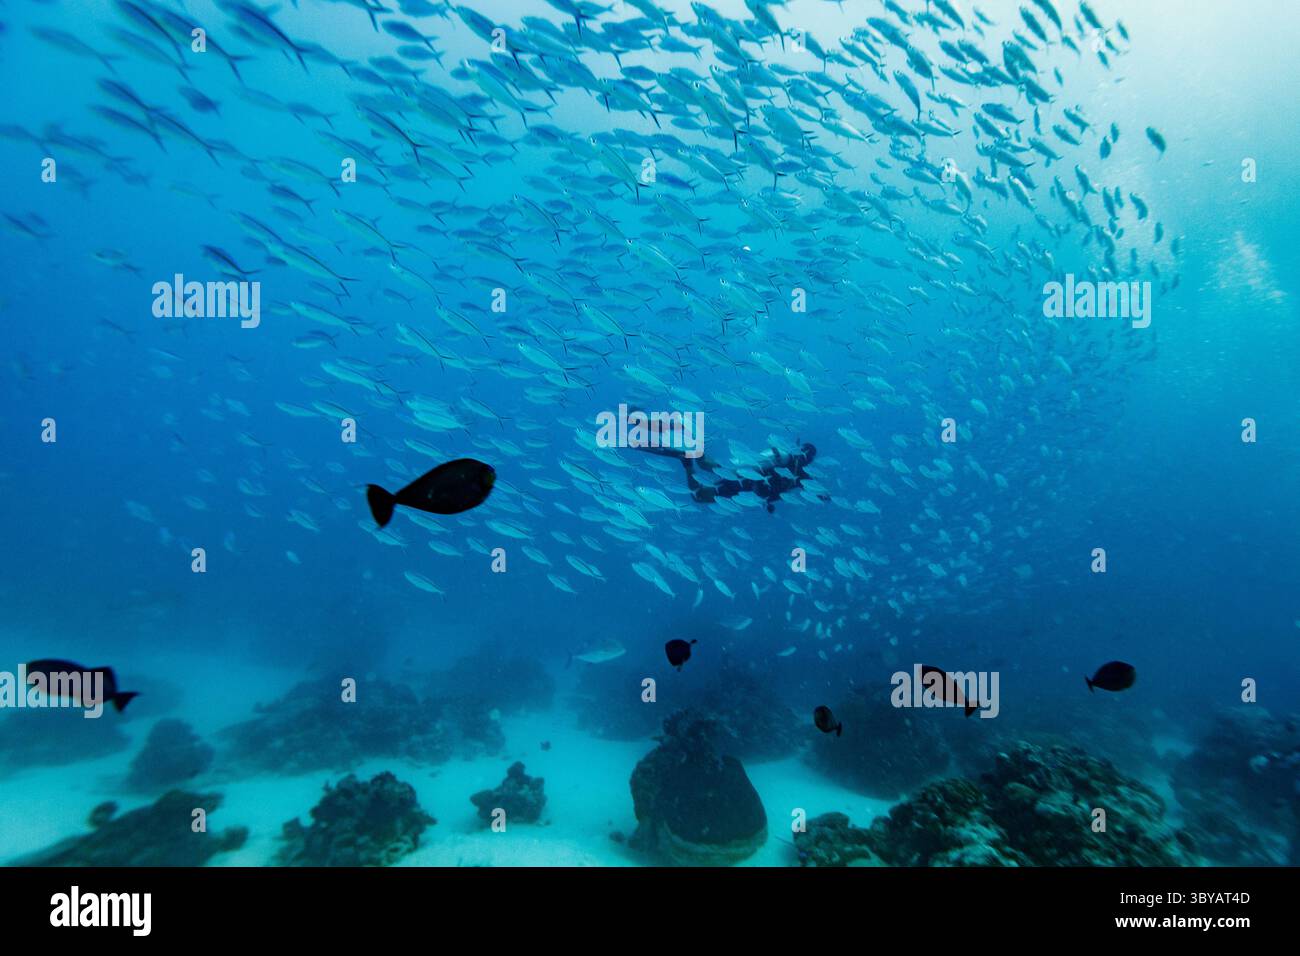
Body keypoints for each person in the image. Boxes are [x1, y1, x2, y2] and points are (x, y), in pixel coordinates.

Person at [628, 417, 820, 513]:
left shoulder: (798, 472)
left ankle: (690, 449)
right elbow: (814, 491)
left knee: (704, 470)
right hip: (745, 485)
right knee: (700, 495)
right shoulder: (802, 476)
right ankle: (686, 459)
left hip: (745, 481)